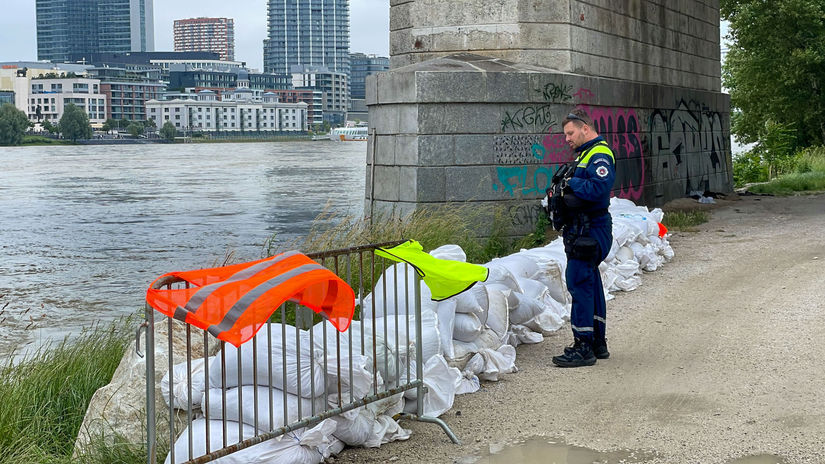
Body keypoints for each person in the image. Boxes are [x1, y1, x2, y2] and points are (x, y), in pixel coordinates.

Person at [551, 108, 616, 368]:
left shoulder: (599, 154)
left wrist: (569, 184)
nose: (567, 138)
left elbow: (599, 188)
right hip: (584, 228)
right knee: (590, 282)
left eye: (570, 133)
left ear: (585, 129)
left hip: (589, 230)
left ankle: (583, 347)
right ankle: (598, 342)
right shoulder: (586, 154)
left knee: (579, 283)